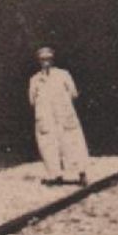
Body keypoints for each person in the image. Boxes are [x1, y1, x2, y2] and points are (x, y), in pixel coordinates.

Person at [29, 46, 89, 186]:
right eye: (43, 59)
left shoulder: (63, 75)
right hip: (46, 118)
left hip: (64, 116)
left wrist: (63, 104)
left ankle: (81, 173)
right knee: (48, 146)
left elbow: (74, 93)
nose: (46, 62)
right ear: (39, 61)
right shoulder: (35, 79)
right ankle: (55, 175)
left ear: (53, 59)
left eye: (48, 59)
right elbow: (32, 99)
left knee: (73, 144)